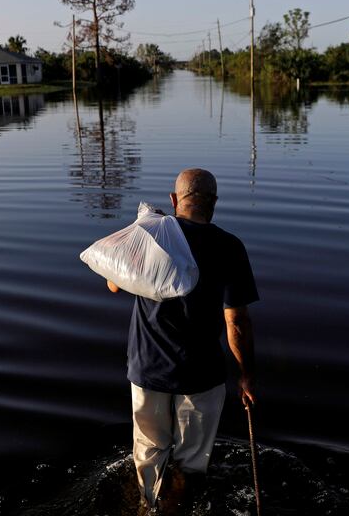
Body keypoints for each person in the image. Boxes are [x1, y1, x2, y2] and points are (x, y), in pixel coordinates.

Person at [105, 168, 259, 510]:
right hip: (201, 375)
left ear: (174, 200)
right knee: (192, 462)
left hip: (148, 370)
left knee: (148, 454)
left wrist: (141, 232)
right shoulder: (230, 247)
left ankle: (146, 507)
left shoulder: (152, 236)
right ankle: (181, 506)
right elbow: (236, 321)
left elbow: (113, 283)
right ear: (214, 202)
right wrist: (246, 374)